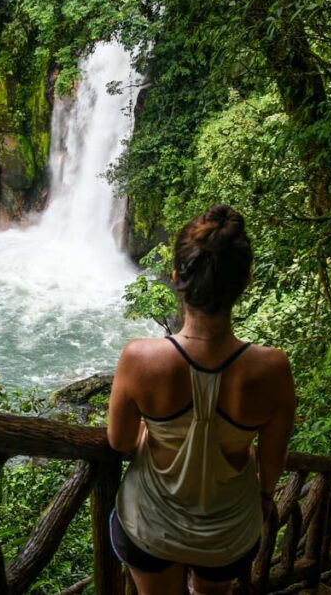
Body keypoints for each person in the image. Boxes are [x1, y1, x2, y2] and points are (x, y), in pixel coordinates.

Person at [107, 204, 296, 595]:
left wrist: (155, 427)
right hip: (228, 534)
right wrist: (261, 498)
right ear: (245, 281)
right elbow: (271, 465)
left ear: (176, 278)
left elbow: (120, 442)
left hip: (150, 525)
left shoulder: (140, 360)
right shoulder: (273, 369)